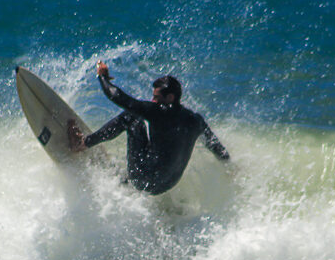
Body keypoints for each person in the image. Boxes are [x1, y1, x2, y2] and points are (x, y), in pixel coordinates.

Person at [68, 61, 230, 195]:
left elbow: (116, 96)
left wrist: (102, 77)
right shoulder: (196, 120)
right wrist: (231, 168)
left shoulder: (159, 112)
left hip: (143, 180)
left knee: (130, 117)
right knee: (145, 133)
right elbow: (218, 149)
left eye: (156, 97)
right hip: (168, 184)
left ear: (170, 98)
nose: (152, 101)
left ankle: (82, 143)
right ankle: (128, 181)